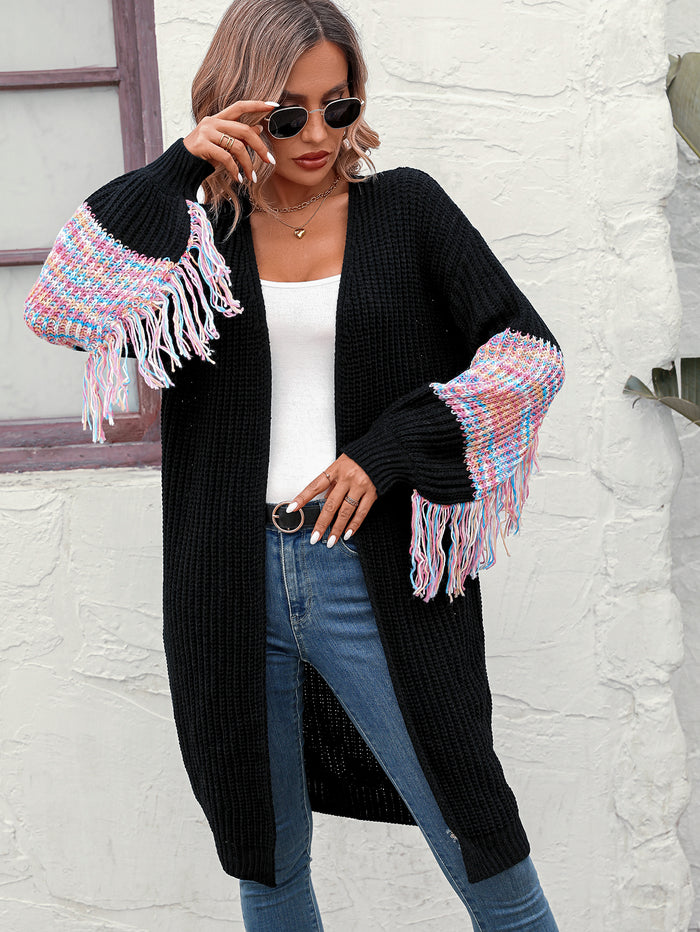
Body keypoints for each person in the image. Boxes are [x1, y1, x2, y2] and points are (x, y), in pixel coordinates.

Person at [24, 0, 565, 928]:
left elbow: (529, 355)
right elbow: (60, 307)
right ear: (238, 109)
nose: (317, 134)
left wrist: (390, 448)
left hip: (370, 568)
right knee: (266, 861)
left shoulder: (408, 209)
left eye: (338, 107)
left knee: (481, 842)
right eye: (288, 113)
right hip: (228, 580)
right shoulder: (196, 238)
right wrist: (178, 166)